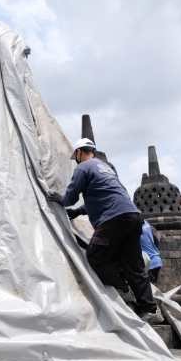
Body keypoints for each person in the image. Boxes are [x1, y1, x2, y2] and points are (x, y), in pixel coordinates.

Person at [54, 138, 159, 323]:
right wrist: (78, 212)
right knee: (134, 265)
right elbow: (106, 196)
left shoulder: (83, 167)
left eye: (75, 156)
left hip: (113, 219)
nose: (75, 159)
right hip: (133, 217)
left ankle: (122, 287)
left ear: (80, 153)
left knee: (95, 255)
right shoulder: (106, 169)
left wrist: (59, 199)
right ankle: (149, 309)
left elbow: (70, 197)